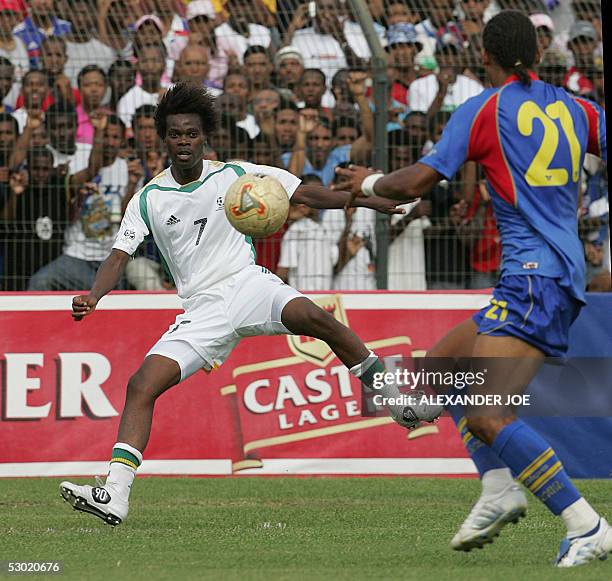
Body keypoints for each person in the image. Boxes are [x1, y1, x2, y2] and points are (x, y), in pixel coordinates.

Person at [58, 82, 442, 525]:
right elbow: (118, 255)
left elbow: (304, 193)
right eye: (176, 134)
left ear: (205, 137)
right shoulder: (148, 198)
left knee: (319, 318)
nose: (184, 141)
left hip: (248, 284)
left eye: (192, 133)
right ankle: (115, 494)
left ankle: (397, 402)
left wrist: (371, 202)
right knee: (142, 385)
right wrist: (94, 295)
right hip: (202, 309)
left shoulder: (235, 175)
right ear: (165, 139)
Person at [334, 10, 610, 568]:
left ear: (483, 56)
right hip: (547, 273)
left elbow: (414, 183)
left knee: (487, 413)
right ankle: (498, 486)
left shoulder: (484, 108)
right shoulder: (581, 109)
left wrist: (362, 182)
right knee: (441, 370)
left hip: (536, 277)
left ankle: (586, 524)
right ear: (536, 52)